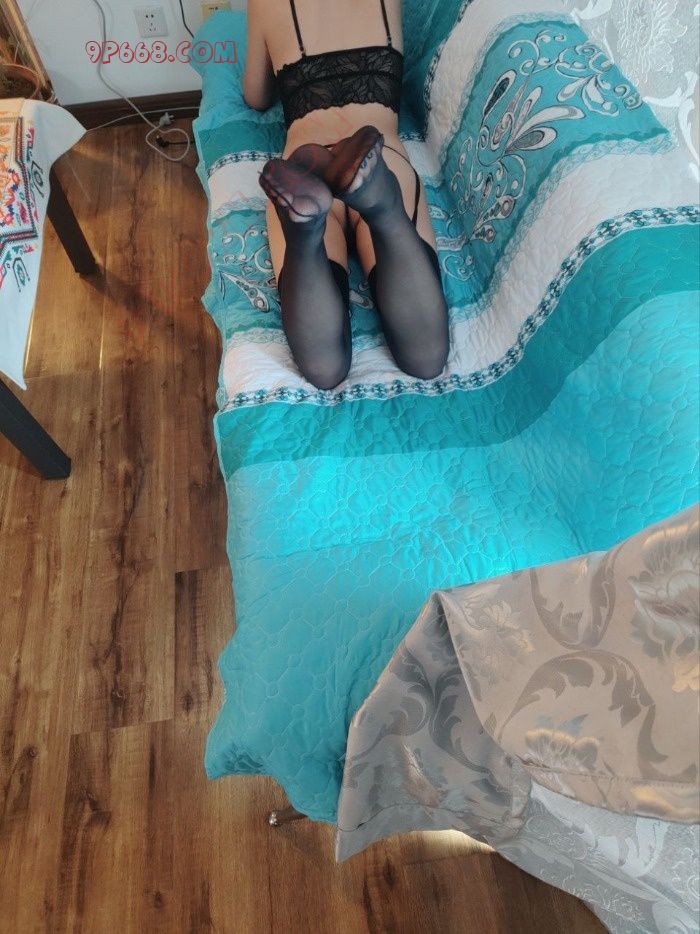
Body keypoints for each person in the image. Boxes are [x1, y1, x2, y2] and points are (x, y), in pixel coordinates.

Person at [243, 0, 450, 389]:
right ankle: (383, 207)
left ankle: (305, 235)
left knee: (326, 370)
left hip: (307, 159)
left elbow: (256, 96)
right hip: (377, 154)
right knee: (426, 359)